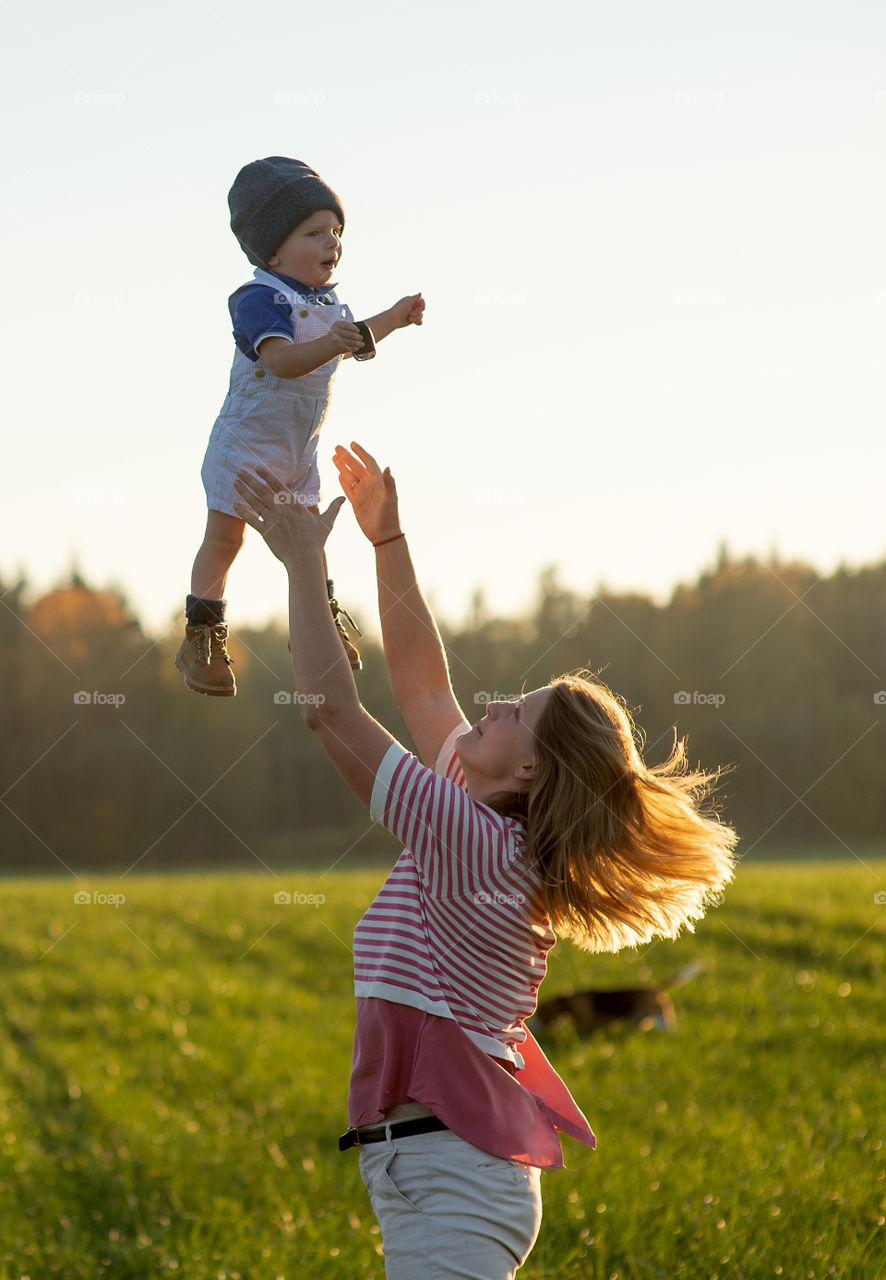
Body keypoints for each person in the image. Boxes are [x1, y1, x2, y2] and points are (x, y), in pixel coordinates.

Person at [232, 445, 738, 1280]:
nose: (493, 702)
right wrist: (387, 541)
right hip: (439, 1171)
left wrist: (303, 561)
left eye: (516, 712)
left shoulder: (474, 843)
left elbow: (327, 708)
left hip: (453, 1178)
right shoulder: (486, 832)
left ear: (530, 771)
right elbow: (427, 692)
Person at [176, 157, 425, 696]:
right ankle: (203, 633)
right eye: (314, 232)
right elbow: (282, 361)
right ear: (273, 251)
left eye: (336, 231)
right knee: (225, 540)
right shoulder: (258, 299)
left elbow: (355, 337)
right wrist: (331, 342)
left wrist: (394, 317)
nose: (331, 242)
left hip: (295, 453)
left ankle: (318, 624)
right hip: (244, 447)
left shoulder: (326, 304)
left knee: (310, 544)